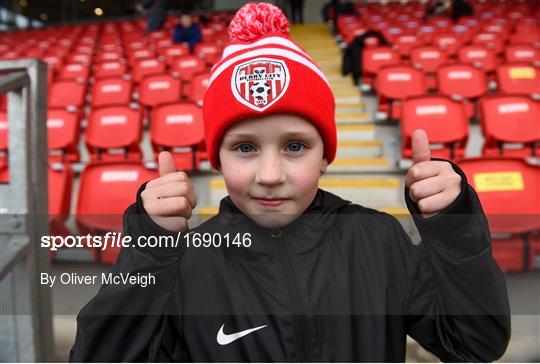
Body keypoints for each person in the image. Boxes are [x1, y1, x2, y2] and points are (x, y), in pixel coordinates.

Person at [70, 3, 510, 362]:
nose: (270, 175)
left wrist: (454, 227)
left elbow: (475, 342)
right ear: (217, 159)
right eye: (244, 148)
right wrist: (150, 251)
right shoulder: (185, 265)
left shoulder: (378, 240)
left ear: (325, 157)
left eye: (295, 147)